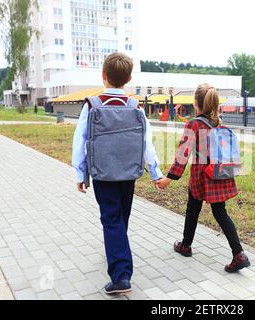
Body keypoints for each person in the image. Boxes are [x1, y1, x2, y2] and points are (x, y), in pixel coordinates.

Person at [72, 52, 164, 295]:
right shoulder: (135, 107)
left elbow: (79, 140)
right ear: (129, 78)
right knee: (120, 218)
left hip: (103, 174)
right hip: (128, 173)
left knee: (112, 220)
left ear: (103, 76)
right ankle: (117, 253)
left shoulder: (91, 105)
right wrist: (155, 173)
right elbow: (147, 143)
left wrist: (81, 173)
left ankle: (121, 275)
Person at [156, 83, 250, 273]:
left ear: (196, 103)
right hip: (219, 174)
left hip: (201, 176)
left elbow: (183, 155)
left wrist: (169, 178)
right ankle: (238, 254)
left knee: (193, 209)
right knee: (220, 212)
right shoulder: (219, 123)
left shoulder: (194, 124)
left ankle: (185, 245)